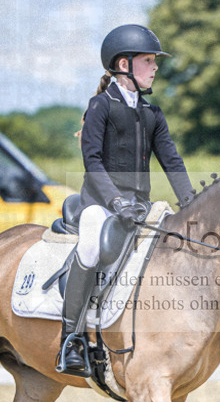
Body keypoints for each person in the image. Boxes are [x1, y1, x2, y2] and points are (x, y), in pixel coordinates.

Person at [56, 24, 194, 377]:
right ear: (124, 64)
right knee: (90, 248)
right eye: (149, 61)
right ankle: (70, 338)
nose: (155, 67)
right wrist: (115, 201)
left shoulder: (152, 114)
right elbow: (92, 161)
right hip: (100, 205)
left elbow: (172, 161)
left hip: (140, 208)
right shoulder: (100, 106)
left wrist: (191, 201)